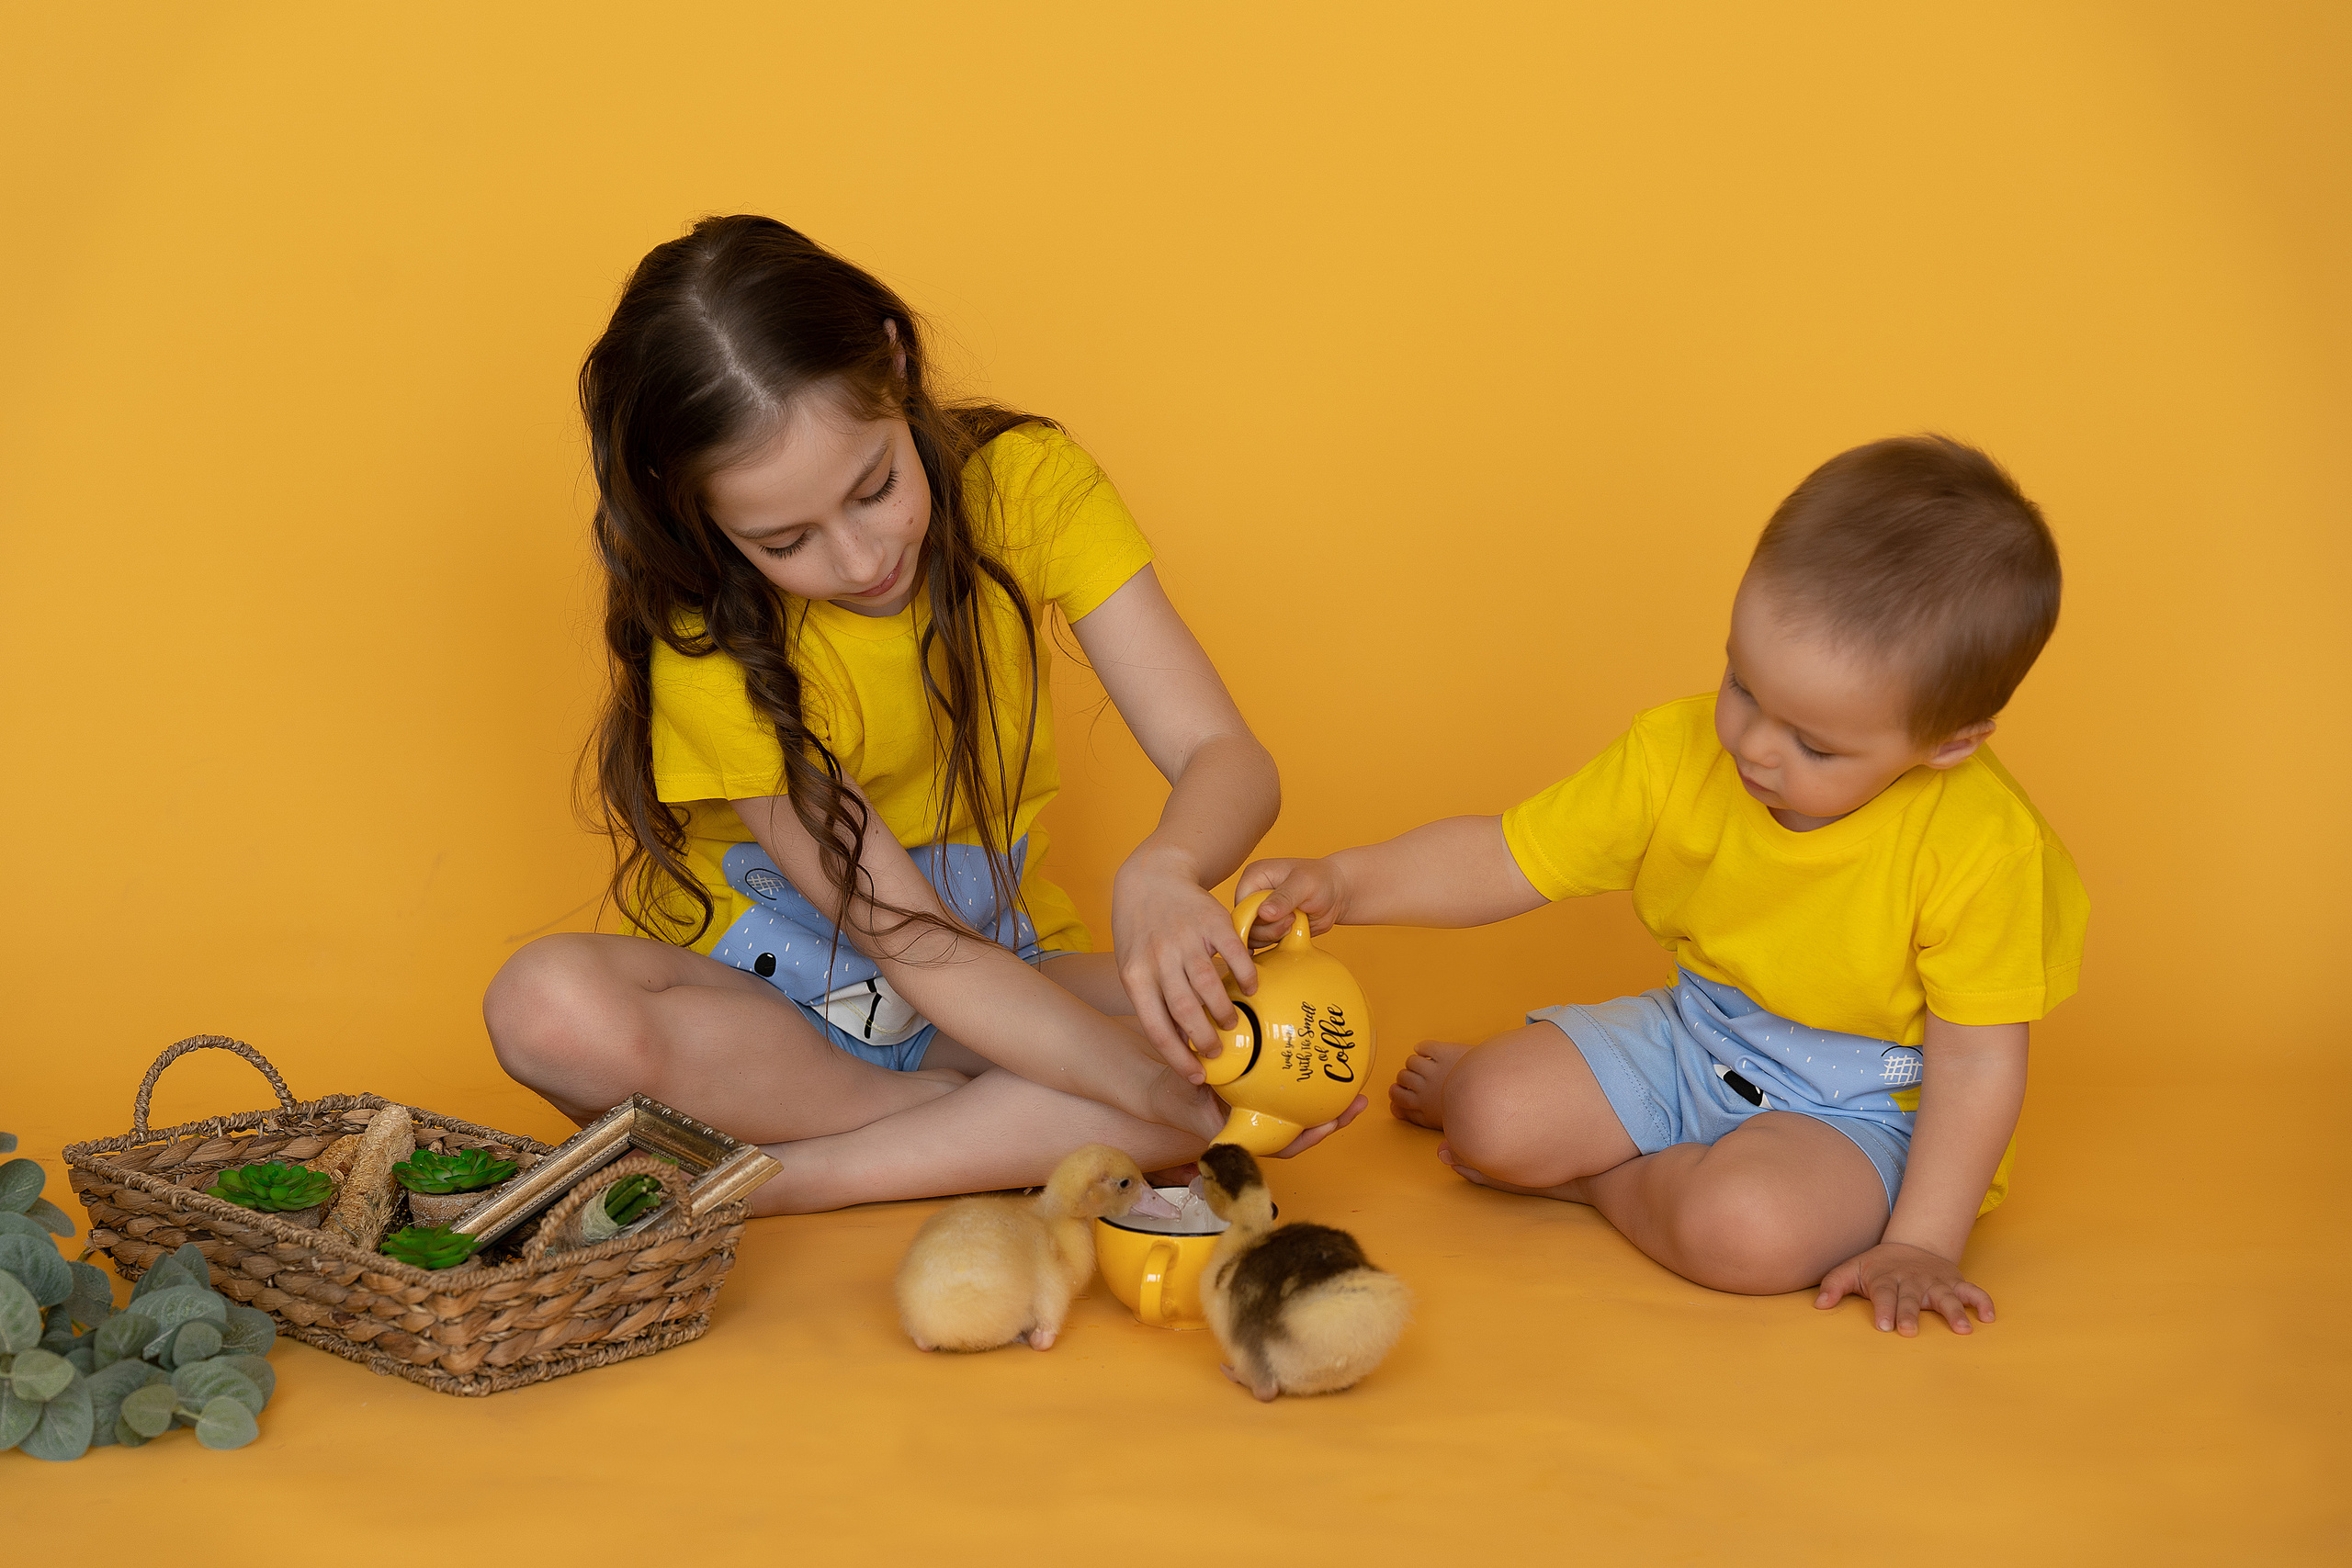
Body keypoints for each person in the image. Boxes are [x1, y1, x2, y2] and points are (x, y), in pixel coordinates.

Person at [485, 216, 1362, 1213]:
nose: (861, 563)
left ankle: (788, 1168)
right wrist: (1154, 1097)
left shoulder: (1028, 488)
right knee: (545, 1009)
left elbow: (1224, 752)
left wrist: (1167, 868)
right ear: (697, 516)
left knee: (1259, 1013)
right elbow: (909, 943)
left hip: (999, 976)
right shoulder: (708, 647)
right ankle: (939, 1134)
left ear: (897, 369)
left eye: (876, 488)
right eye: (784, 541)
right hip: (783, 1012)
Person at [1237, 435, 2086, 1336]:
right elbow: (1504, 854)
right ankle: (1625, 1161)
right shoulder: (1675, 756)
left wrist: (1922, 1242)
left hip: (1864, 1110)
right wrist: (1341, 883)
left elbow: (1978, 1060)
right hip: (1696, 1039)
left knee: (1745, 1234)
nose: (1754, 746)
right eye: (1742, 685)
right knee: (1489, 1114)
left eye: (1815, 745)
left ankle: (1605, 1181)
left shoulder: (1985, 848)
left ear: (1949, 742)